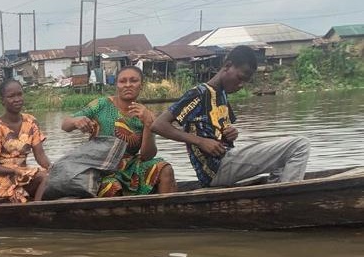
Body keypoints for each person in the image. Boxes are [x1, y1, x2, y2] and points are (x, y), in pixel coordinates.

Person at [152, 45, 310, 187]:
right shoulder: (199, 93)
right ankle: (288, 196)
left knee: (284, 159)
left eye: (245, 82)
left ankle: (274, 192)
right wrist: (200, 141)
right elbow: (158, 125)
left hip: (228, 160)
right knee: (299, 145)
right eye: (240, 78)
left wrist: (232, 133)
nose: (241, 85)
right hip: (217, 167)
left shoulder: (222, 95)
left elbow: (221, 130)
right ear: (227, 66)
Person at [61, 66, 176, 196]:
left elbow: (147, 156)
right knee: (110, 186)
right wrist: (76, 121)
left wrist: (148, 124)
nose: (128, 85)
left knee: (165, 168)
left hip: (130, 168)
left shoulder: (146, 114)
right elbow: (65, 125)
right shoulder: (101, 105)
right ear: (117, 85)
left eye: (133, 81)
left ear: (141, 85)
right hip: (99, 167)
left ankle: (165, 212)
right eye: (122, 81)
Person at [0, 79, 50, 203]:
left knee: (49, 177)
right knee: (43, 177)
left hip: (23, 174)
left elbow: (40, 156)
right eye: (11, 96)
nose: (17, 99)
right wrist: (14, 170)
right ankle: (37, 210)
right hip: (1, 177)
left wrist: (52, 168)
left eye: (19, 94)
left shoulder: (31, 122)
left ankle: (37, 207)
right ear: (2, 100)